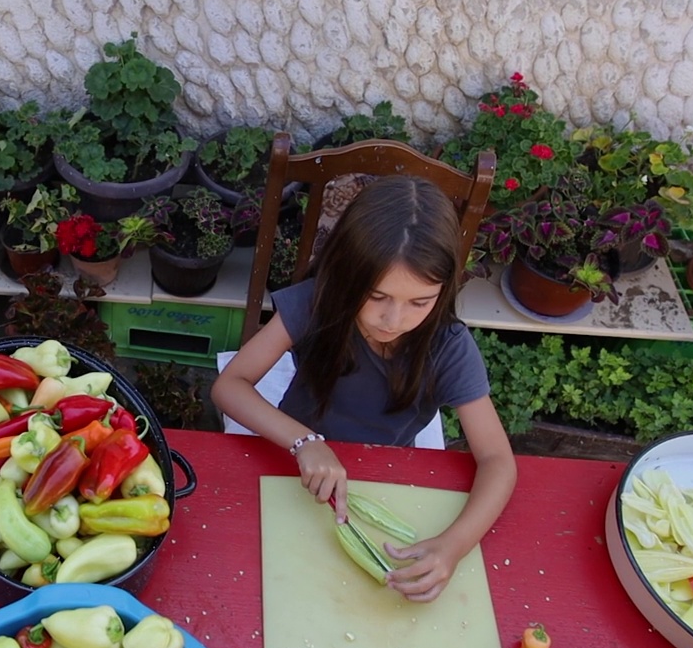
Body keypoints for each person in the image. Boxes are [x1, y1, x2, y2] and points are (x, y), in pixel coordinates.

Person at [211, 175, 516, 603]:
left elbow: (498, 460)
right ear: (346, 274)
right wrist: (303, 442)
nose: (393, 320)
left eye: (420, 302)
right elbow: (230, 386)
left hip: (385, 476)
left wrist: (454, 546)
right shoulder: (318, 302)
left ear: (444, 290)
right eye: (376, 296)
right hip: (291, 461)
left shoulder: (448, 348)